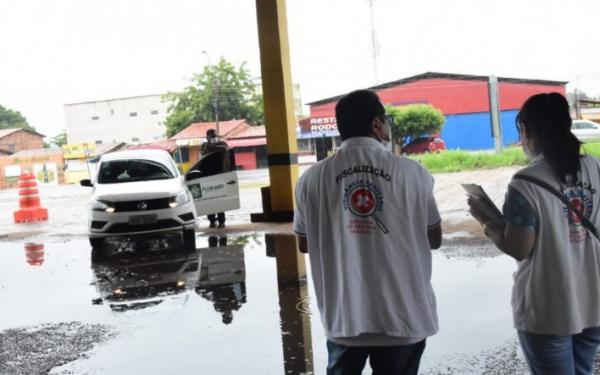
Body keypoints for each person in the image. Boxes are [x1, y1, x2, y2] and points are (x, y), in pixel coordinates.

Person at [293, 89, 442, 374]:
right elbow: (433, 238)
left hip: (345, 318)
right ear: (376, 124)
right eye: (384, 120)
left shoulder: (311, 179)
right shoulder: (413, 173)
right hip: (403, 317)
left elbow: (304, 243)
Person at [467, 92, 600, 375]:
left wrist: (485, 221)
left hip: (548, 309)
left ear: (525, 130)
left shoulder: (525, 182)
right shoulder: (595, 167)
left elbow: (519, 248)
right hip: (593, 300)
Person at [200, 129, 229, 228]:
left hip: (219, 176)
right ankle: (212, 221)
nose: (214, 137)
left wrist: (213, 146)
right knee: (209, 201)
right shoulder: (204, 145)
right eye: (211, 136)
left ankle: (221, 221)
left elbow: (225, 149)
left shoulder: (222, 143)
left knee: (220, 200)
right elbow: (204, 153)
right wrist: (211, 146)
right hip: (207, 176)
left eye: (215, 135)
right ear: (207, 137)